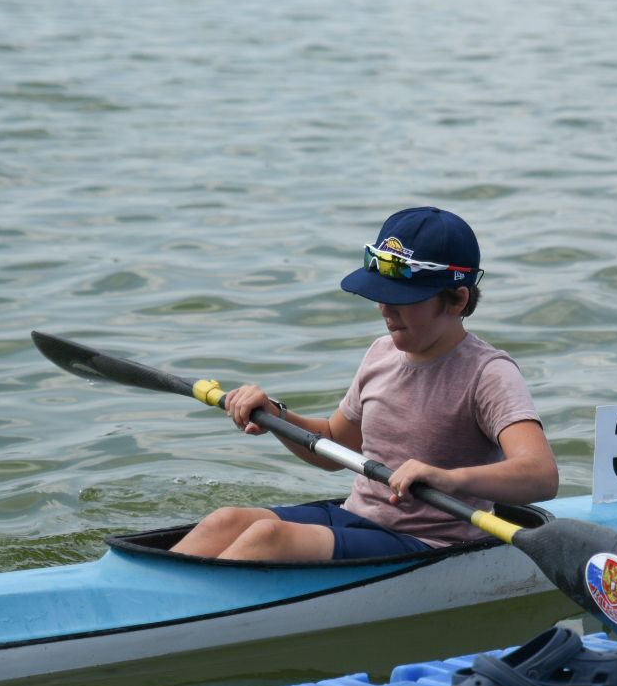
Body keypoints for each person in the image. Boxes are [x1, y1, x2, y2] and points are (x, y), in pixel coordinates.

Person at [172, 206, 559, 561]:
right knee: (224, 521)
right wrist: (275, 415)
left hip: (429, 542)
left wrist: (449, 479)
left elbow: (541, 475)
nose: (385, 308)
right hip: (356, 517)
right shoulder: (380, 353)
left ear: (457, 300)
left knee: (268, 537)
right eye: (380, 294)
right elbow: (332, 445)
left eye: (403, 298)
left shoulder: (489, 373)